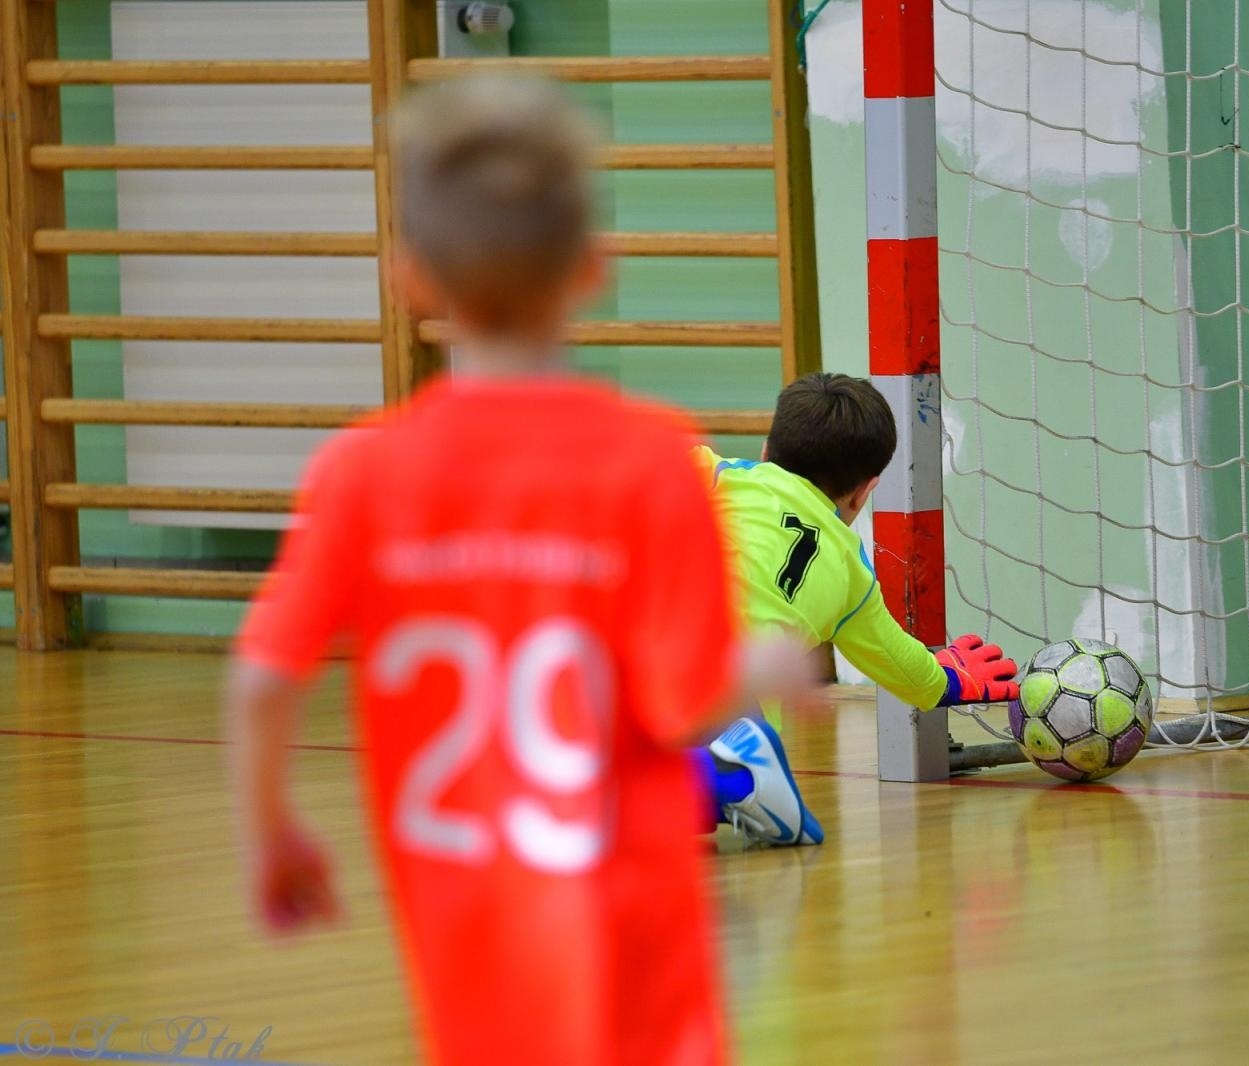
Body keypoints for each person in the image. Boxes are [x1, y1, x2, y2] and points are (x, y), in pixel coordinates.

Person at [225, 73, 812, 1066]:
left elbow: (261, 676)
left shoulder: (364, 471)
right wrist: (766, 668)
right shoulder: (652, 459)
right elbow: (688, 700)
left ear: (409, 276)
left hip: (465, 919)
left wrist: (270, 828)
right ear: (592, 266)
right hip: (632, 925)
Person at [693, 372, 1021, 846]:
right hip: (735, 718)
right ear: (866, 491)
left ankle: (732, 779)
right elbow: (910, 672)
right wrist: (950, 677)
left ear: (766, 449)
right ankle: (733, 777)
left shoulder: (715, 474)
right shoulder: (853, 577)